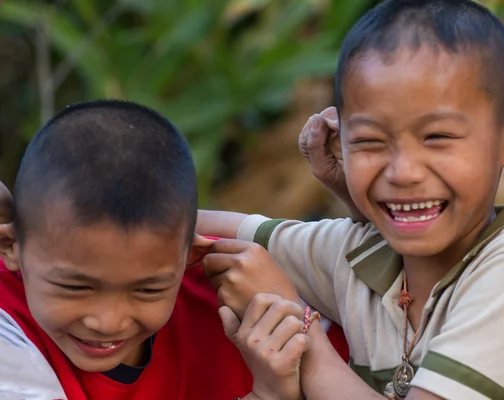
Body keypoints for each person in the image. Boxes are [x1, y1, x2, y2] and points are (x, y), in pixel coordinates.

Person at [196, 1, 504, 399]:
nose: (403, 172)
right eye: (370, 141)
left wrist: (299, 331)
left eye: (438, 137)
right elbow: (191, 226)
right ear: (341, 145)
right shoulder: (358, 256)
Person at [0, 100, 348, 400]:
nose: (108, 322)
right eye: (75, 287)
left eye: (147, 290)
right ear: (10, 247)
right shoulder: (9, 325)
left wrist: (301, 335)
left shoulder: (256, 297)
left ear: (191, 257)